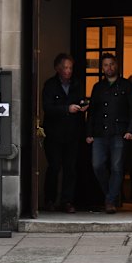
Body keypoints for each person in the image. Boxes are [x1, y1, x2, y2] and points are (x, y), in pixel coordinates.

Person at [86, 53, 132, 214]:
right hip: (100, 133)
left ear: (117, 65)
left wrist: (131, 130)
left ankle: (109, 201)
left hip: (119, 132)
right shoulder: (98, 87)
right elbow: (92, 112)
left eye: (111, 64)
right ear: (102, 68)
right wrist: (89, 133)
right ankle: (111, 194)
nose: (109, 68)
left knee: (117, 167)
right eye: (106, 65)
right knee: (97, 165)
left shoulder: (126, 86)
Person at [41, 53, 88, 213]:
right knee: (54, 167)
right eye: (65, 68)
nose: (68, 71)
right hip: (54, 134)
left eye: (70, 68)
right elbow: (47, 107)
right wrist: (66, 109)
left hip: (73, 133)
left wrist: (83, 106)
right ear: (57, 68)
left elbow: (82, 100)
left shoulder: (77, 84)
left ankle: (67, 201)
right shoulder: (50, 85)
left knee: (70, 168)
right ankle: (49, 200)